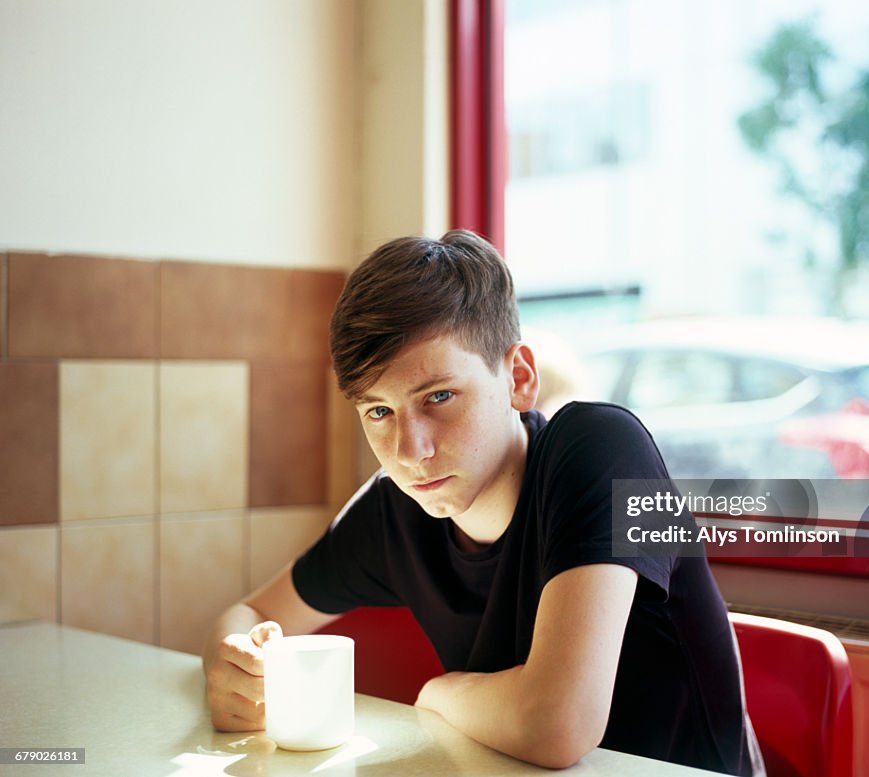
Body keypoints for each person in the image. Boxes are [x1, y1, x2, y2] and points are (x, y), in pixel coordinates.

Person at [202, 230, 763, 774]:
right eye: (378, 411)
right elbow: (253, 613)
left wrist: (441, 694)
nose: (410, 451)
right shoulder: (398, 505)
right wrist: (236, 665)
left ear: (518, 378)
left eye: (439, 397)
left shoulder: (605, 450)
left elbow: (558, 725)